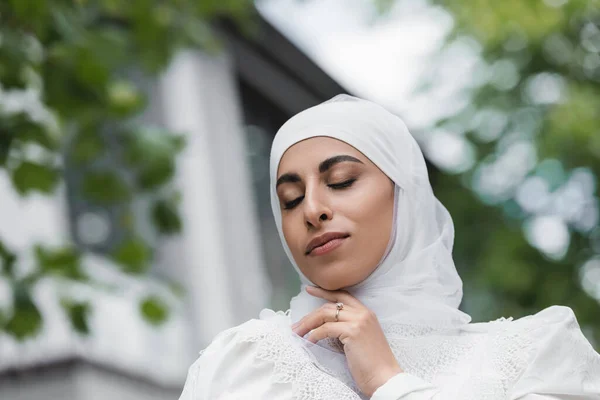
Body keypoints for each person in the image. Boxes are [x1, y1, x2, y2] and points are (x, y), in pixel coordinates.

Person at [178, 95, 600, 399]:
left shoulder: (533, 355)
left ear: (404, 195)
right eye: (289, 200)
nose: (312, 209)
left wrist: (387, 381)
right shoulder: (244, 361)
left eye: (341, 181)